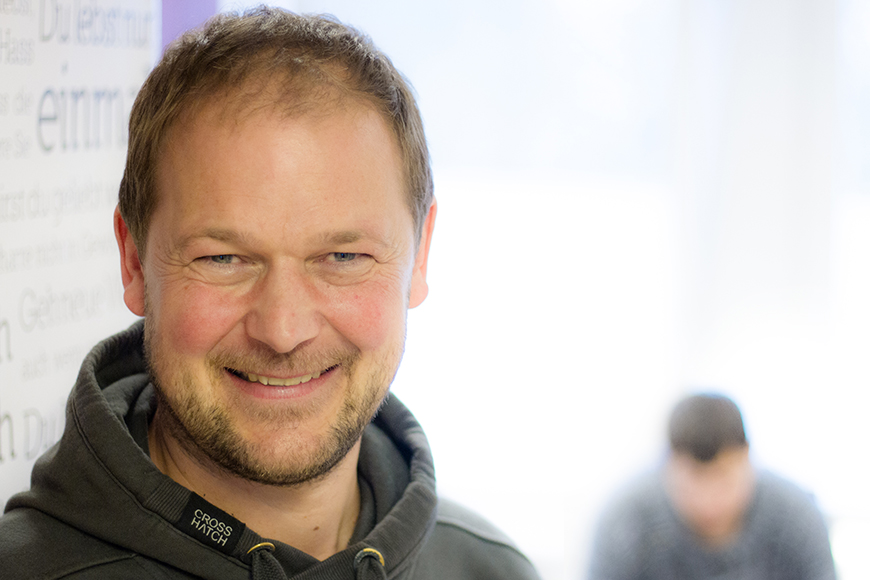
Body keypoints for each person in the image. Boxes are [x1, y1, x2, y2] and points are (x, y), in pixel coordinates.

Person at [0, 8, 540, 580]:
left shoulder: (493, 569)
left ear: (420, 255)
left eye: (344, 258)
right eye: (223, 259)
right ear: (134, 261)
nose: (283, 331)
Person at [587, 393, 836, 580]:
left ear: (747, 459)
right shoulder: (625, 522)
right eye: (693, 484)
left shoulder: (795, 518)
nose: (709, 502)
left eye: (724, 481)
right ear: (668, 466)